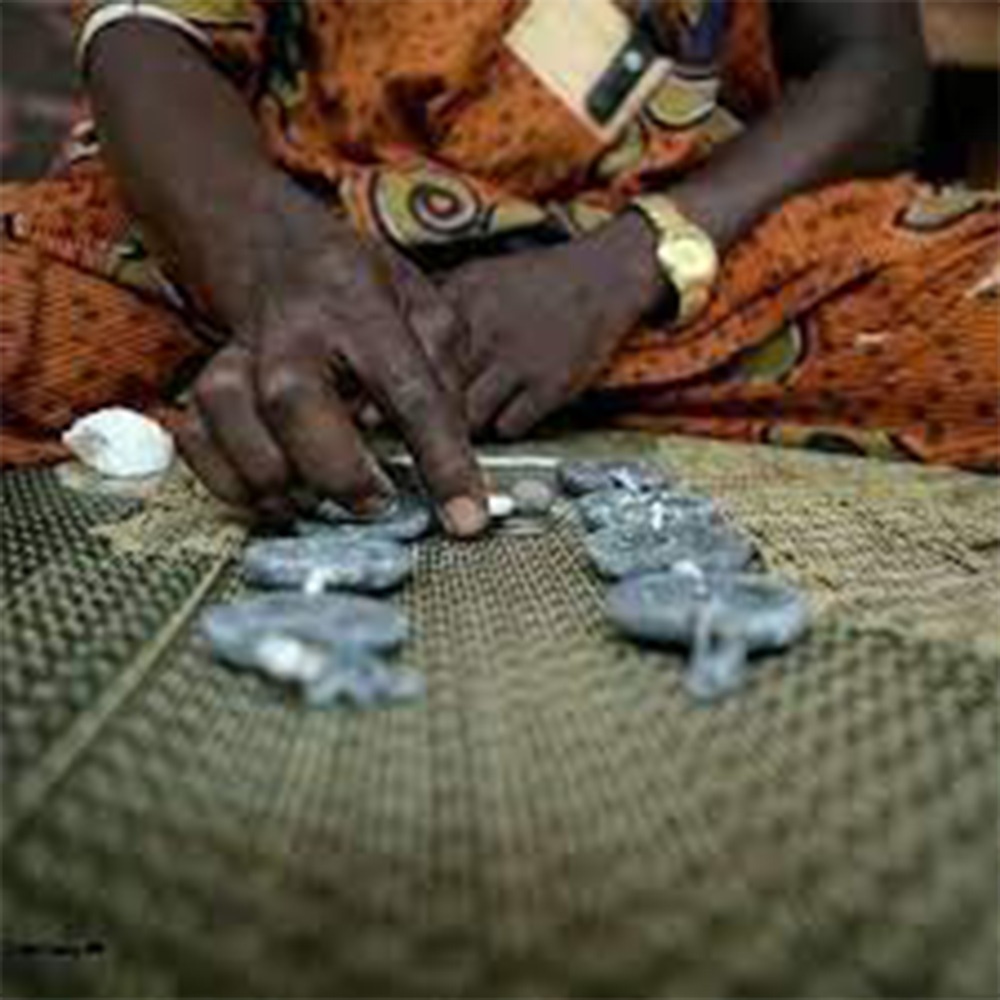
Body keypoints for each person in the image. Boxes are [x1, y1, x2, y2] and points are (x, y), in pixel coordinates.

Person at [2, 0, 996, 537]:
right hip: (279, 230)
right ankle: (326, 372)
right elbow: (143, 34)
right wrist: (274, 264)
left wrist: (624, 264)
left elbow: (876, 77)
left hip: (680, 268)